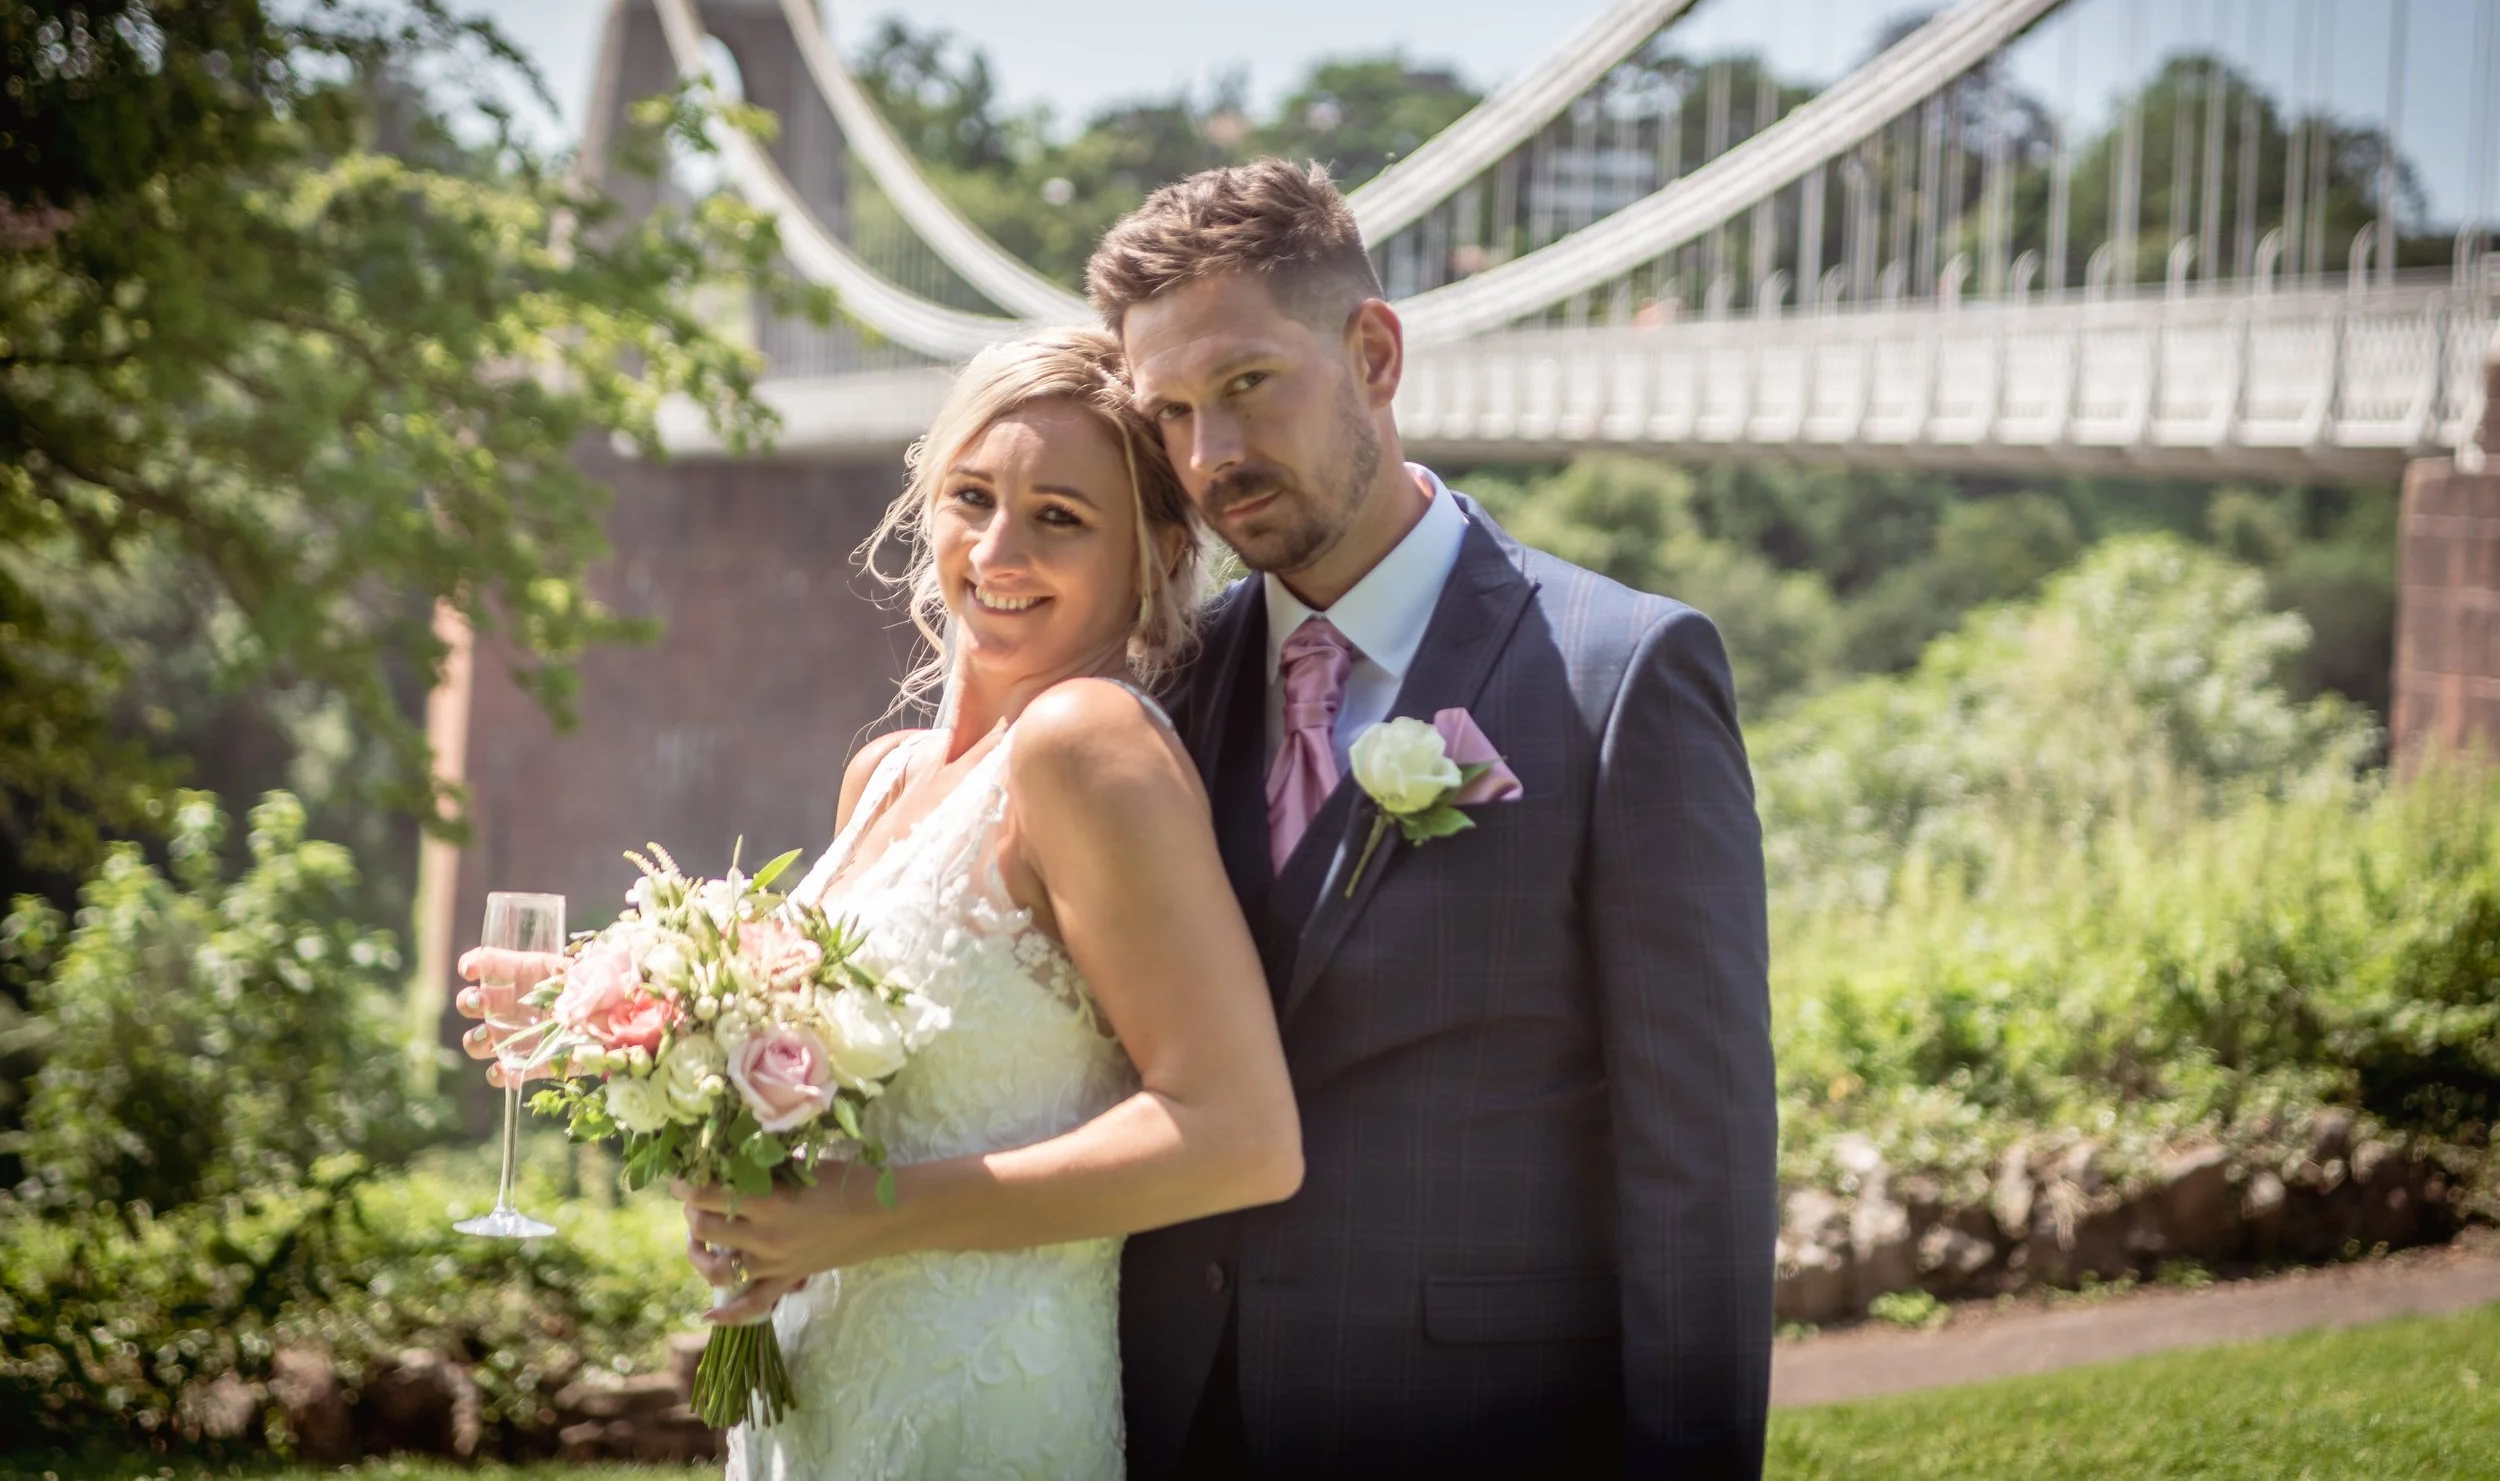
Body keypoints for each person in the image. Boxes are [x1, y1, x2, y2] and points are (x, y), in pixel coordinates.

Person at [458, 327, 1302, 1479]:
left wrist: (871, 1214)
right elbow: (840, 1097)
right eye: (971, 497)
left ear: (1153, 555)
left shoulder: (1085, 746)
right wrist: (605, 1026)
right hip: (815, 1398)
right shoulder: (887, 774)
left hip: (981, 1402)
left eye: (1060, 516)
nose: (997, 548)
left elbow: (1240, 1139)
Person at [1089, 159, 1777, 1479]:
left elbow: (1703, 1169)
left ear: (1374, 350)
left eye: (1244, 385)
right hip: (1173, 1425)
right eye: (1167, 412)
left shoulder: (1620, 675)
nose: (1207, 457)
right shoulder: (1158, 696)